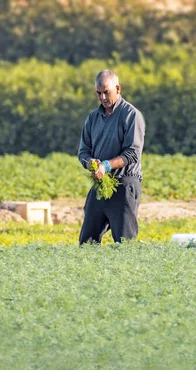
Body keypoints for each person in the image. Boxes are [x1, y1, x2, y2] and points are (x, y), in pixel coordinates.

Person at [78, 70, 146, 244]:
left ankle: (128, 271)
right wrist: (90, 163)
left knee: (125, 244)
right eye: (98, 93)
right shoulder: (93, 118)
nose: (102, 97)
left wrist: (106, 166)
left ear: (118, 88)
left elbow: (132, 153)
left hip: (124, 184)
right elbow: (83, 152)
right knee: (87, 243)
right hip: (100, 185)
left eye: (106, 92)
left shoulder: (131, 115)